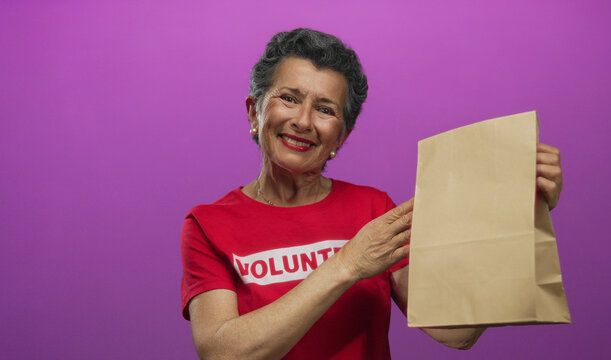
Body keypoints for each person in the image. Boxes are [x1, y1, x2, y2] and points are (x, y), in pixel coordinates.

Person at [180, 28, 564, 360]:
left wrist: (518, 208)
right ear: (254, 112)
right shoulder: (208, 224)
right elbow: (222, 351)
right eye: (290, 98)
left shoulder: (373, 209)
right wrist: (347, 264)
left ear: (341, 136)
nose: (303, 121)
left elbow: (455, 333)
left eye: (325, 109)